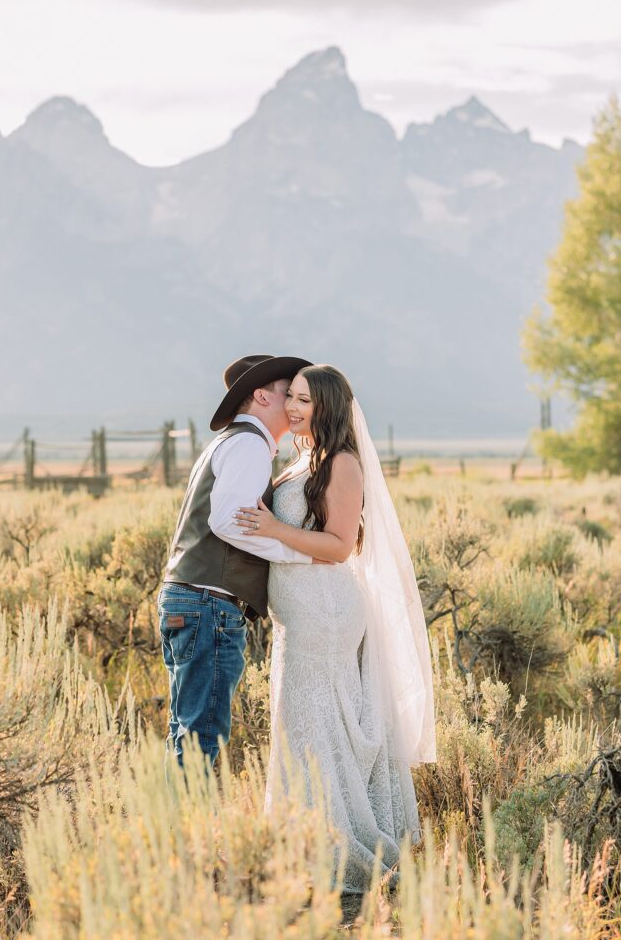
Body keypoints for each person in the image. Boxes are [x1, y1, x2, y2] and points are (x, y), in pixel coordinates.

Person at [235, 364, 436, 893]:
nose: (294, 408)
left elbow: (340, 545)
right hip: (297, 616)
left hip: (325, 614)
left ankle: (331, 846)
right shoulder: (303, 457)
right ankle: (301, 841)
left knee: (314, 727)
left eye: (305, 400)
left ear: (327, 405)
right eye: (292, 398)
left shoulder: (342, 464)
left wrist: (274, 527)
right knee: (301, 727)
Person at [157, 353, 312, 767]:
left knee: (187, 732)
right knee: (201, 736)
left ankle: (179, 826)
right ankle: (190, 829)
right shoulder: (248, 445)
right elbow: (228, 521)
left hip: (190, 599)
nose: (295, 404)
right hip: (208, 604)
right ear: (262, 396)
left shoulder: (229, 442)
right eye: (288, 394)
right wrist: (295, 552)